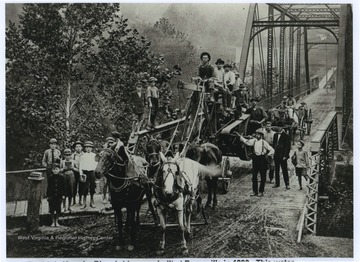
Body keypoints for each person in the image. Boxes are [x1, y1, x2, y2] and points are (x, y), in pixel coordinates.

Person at [239, 129, 274, 197]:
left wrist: (268, 155)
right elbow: (247, 142)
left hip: (262, 160)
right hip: (255, 160)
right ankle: (255, 191)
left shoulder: (264, 142)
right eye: (256, 134)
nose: (257, 136)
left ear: (261, 136)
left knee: (263, 177)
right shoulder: (254, 141)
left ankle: (261, 191)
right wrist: (241, 137)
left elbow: (272, 150)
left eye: (258, 135)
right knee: (254, 176)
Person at [79, 141, 98, 209]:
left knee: (92, 187)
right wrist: (81, 174)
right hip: (85, 173)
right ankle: (84, 203)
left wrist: (96, 174)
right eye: (87, 147)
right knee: (84, 187)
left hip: (92, 173)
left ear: (92, 148)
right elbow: (80, 166)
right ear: (85, 148)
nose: (88, 149)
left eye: (89, 147)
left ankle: (92, 201)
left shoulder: (94, 155)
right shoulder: (82, 156)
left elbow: (96, 165)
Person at [60, 148, 77, 212]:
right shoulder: (62, 162)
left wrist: (73, 168)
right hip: (64, 176)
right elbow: (58, 170)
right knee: (64, 192)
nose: (68, 156)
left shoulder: (73, 161)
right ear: (64, 155)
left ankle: (69, 206)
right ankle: (64, 206)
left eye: (69, 155)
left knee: (71, 192)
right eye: (66, 155)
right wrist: (63, 169)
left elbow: (77, 169)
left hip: (71, 176)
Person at [71, 140, 83, 205]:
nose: (78, 148)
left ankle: (80, 200)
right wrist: (75, 169)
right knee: (74, 186)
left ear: (81, 148)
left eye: (79, 146)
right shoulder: (73, 155)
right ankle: (74, 200)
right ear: (75, 148)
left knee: (81, 186)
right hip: (75, 172)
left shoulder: (84, 154)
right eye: (76, 147)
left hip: (82, 172)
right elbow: (71, 164)